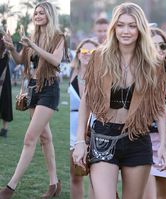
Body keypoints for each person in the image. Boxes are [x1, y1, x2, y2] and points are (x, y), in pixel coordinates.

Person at [73, 2, 166, 199]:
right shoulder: (100, 57)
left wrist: (163, 147)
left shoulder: (153, 63)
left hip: (136, 137)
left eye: (132, 25)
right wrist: (81, 140)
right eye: (121, 25)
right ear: (113, 27)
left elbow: (159, 107)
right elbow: (87, 101)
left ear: (140, 29)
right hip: (103, 137)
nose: (126, 31)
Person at [0, 2, 68, 198]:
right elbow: (21, 61)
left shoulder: (58, 37)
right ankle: (54, 184)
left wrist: (33, 45)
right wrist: (13, 49)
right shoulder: (32, 37)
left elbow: (55, 61)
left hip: (49, 89)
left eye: (41, 12)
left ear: (49, 14)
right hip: (33, 89)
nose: (37, 15)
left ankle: (10, 187)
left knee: (30, 138)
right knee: (44, 138)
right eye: (35, 13)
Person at [143, 27, 166, 199]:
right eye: (153, 46)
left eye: (162, 46)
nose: (159, 50)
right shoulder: (139, 73)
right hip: (144, 140)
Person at [69, 39, 98, 199]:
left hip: (96, 131)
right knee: (76, 175)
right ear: (79, 54)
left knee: (96, 179)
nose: (87, 55)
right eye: (84, 51)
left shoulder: (102, 76)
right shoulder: (70, 74)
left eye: (92, 52)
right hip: (73, 132)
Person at [0, 28, 13, 138]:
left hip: (3, 73)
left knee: (5, 100)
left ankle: (4, 129)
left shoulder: (4, 41)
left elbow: (5, 59)